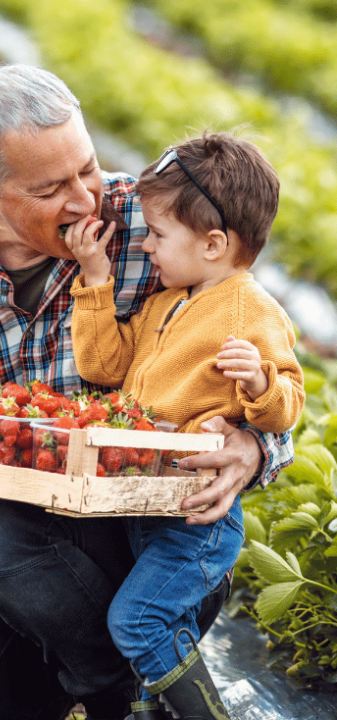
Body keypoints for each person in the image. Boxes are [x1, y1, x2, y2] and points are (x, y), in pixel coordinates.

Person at [0, 64, 294, 720]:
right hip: (13, 577)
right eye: (51, 188)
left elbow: (264, 365)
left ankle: (114, 679)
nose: (86, 201)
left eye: (87, 169)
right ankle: (113, 687)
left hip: (149, 544)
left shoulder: (157, 225)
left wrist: (254, 449)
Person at [62, 131, 305, 719]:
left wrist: (259, 386)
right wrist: (94, 277)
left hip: (197, 518)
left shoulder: (253, 313)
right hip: (147, 506)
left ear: (215, 244)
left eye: (158, 235)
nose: (145, 246)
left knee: (137, 622)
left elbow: (289, 401)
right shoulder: (163, 304)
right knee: (155, 637)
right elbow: (102, 366)